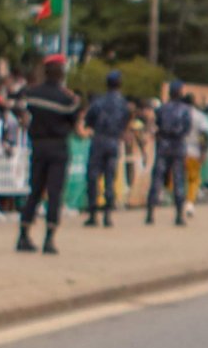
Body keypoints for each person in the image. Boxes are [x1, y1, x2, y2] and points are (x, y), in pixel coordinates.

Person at [15, 55, 80, 253]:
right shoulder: (68, 99)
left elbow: (20, 107)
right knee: (54, 193)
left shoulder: (33, 94)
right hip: (58, 147)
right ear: (61, 74)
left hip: (38, 145)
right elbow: (73, 122)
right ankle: (49, 239)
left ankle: (24, 234)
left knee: (34, 190)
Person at [83, 69, 130, 227]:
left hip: (99, 139)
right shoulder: (123, 103)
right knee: (110, 177)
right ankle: (107, 215)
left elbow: (89, 120)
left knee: (93, 176)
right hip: (113, 141)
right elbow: (126, 120)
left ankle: (93, 213)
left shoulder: (99, 102)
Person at [147, 84, 197, 224]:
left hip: (163, 145)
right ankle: (179, 215)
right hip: (178, 145)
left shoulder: (162, 109)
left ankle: (150, 213)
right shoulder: (185, 110)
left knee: (157, 178)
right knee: (179, 179)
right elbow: (187, 128)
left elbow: (157, 125)